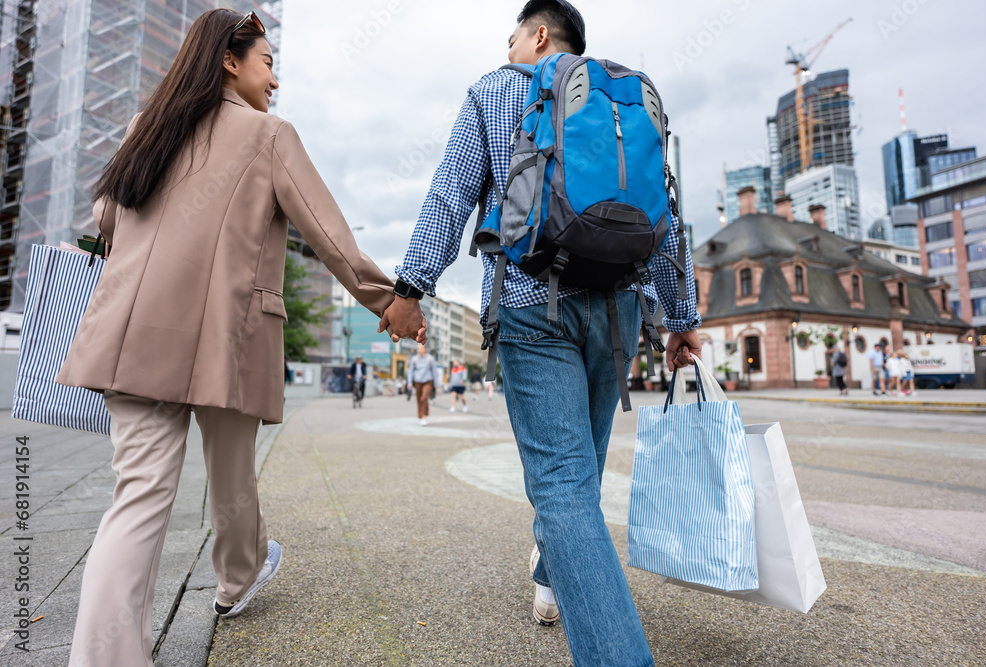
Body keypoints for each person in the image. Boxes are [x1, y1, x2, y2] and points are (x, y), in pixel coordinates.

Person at [54, 11, 424, 666]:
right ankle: (238, 576)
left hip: (133, 335)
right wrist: (387, 301)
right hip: (224, 337)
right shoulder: (268, 135)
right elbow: (329, 232)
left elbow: (106, 215)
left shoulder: (150, 128)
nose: (275, 79)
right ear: (231, 60)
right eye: (266, 62)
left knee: (136, 498)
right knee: (231, 477)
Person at [382, 2, 700, 663]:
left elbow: (451, 194)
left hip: (532, 300)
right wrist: (682, 318)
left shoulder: (495, 90)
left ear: (539, 34)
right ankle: (554, 579)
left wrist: (412, 287)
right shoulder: (623, 99)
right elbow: (666, 211)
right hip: (620, 309)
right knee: (579, 471)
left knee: (561, 481)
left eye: (511, 38)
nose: (506, 50)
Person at [407, 343, 438, 425]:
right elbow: (410, 371)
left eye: (421, 348)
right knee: (419, 399)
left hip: (428, 380)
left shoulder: (430, 358)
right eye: (418, 348)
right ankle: (422, 415)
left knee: (424, 398)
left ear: (425, 349)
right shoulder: (414, 359)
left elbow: (435, 372)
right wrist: (409, 382)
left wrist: (436, 385)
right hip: (418, 381)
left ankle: (424, 416)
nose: (420, 350)